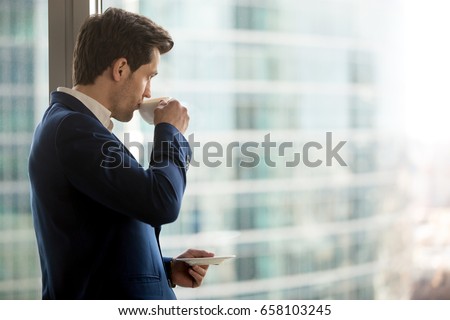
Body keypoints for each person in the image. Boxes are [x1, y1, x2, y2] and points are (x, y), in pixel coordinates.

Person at [28, 7, 213, 299]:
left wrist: (163, 269)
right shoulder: (73, 130)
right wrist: (170, 131)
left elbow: (96, 244)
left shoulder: (77, 126)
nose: (149, 93)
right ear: (121, 69)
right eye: (148, 77)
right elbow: (161, 201)